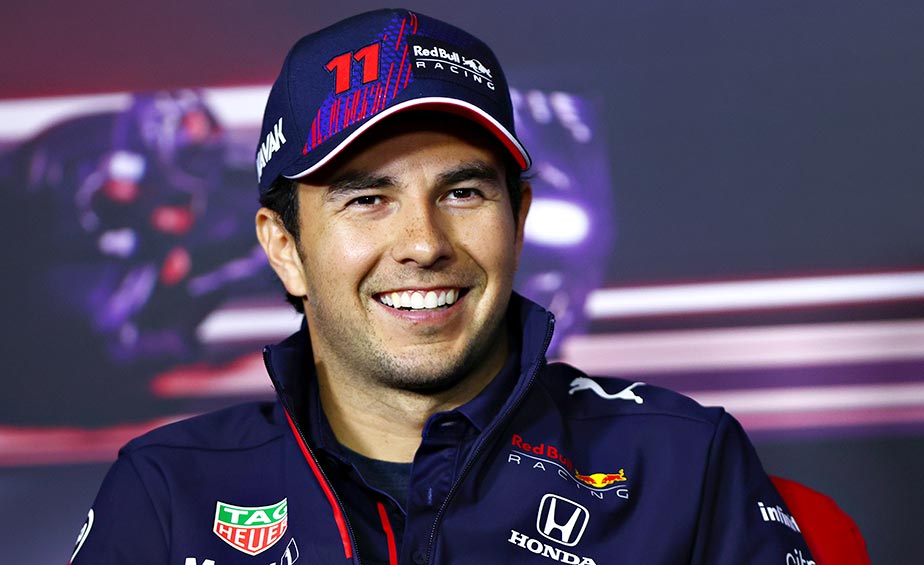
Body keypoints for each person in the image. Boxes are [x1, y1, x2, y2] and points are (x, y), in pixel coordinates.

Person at [69, 8, 813, 564]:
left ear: (518, 221)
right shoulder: (168, 491)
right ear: (285, 248)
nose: (424, 243)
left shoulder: (683, 462)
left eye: (462, 192)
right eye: (368, 199)